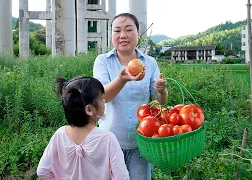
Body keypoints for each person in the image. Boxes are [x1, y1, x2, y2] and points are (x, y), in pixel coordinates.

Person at [93, 13, 168, 180]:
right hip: (110, 141)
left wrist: (161, 91)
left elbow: (158, 103)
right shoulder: (103, 61)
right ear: (111, 35)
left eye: (128, 29)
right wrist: (121, 80)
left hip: (141, 141)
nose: (123, 35)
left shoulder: (149, 63)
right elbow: (102, 97)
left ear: (138, 34)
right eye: (117, 30)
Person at [37, 76, 130, 180]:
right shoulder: (108, 139)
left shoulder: (60, 134)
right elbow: (122, 177)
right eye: (101, 98)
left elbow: (42, 171)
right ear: (89, 109)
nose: (104, 102)